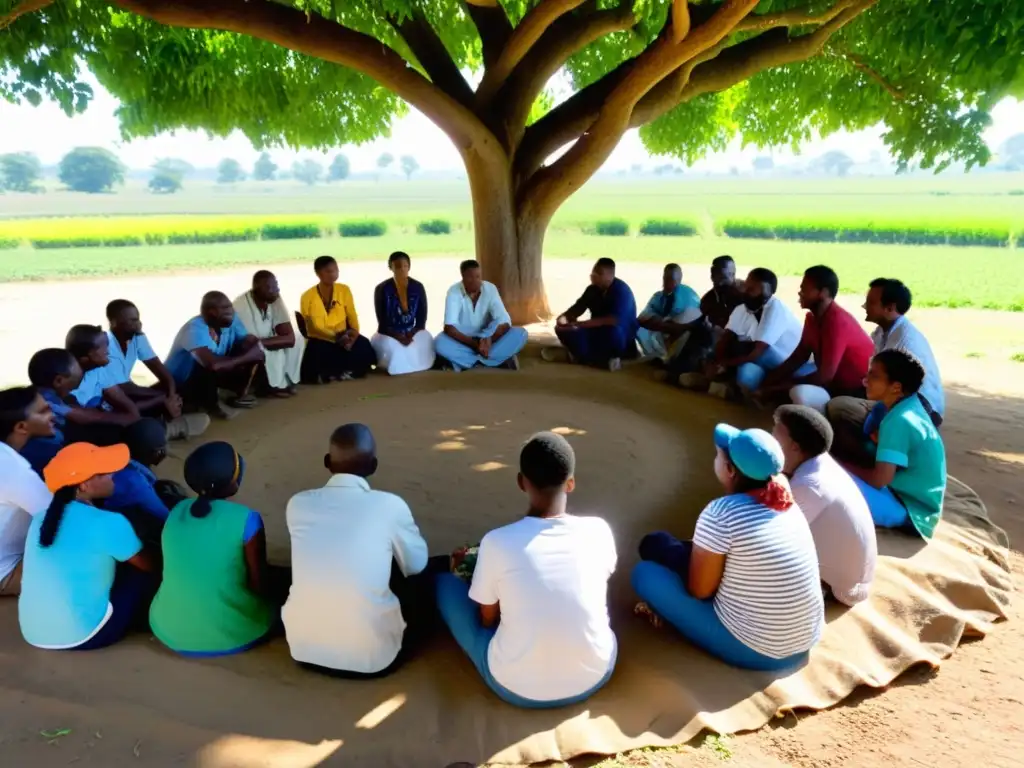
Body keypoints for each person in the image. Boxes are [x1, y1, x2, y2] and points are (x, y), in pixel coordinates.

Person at [436, 432, 618, 708]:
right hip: (595, 675)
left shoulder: (497, 541)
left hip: (514, 686)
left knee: (445, 586)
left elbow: (487, 619)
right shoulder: (599, 530)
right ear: (570, 484)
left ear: (521, 482)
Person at [631, 424, 823, 671]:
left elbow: (700, 590)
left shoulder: (721, 513)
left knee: (645, 574)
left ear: (730, 470)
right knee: (668, 548)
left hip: (759, 650)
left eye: (719, 457)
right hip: (804, 640)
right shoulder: (786, 501)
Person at [284, 423, 439, 678]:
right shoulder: (389, 505)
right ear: (373, 466)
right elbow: (416, 565)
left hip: (303, 650)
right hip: (373, 659)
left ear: (327, 462)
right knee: (427, 575)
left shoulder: (297, 504)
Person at [18, 442, 157, 650]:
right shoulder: (109, 522)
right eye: (104, 473)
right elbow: (150, 565)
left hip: (33, 632)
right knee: (140, 575)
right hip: (86, 635)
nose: (113, 475)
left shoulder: (40, 519)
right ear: (83, 485)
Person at [149, 441, 277, 656]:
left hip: (168, 626)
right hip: (229, 633)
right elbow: (258, 582)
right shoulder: (246, 519)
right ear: (233, 484)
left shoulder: (177, 510)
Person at [772, 405, 876, 606]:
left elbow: (770, 537)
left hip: (841, 589)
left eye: (777, 433)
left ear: (794, 445)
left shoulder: (809, 485)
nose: (771, 437)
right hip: (855, 579)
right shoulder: (818, 463)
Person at [843, 349, 947, 539]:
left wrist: (841, 466)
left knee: (828, 479)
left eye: (874, 375)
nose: (866, 380)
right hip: (920, 506)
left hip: (909, 512)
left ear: (896, 387)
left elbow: (879, 480)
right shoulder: (910, 406)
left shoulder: (898, 421)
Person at [828, 278, 945, 440]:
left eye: (871, 302)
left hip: (919, 409)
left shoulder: (904, 342)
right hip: (896, 398)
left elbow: (898, 393)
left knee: (838, 407)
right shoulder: (881, 333)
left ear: (889, 308)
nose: (864, 306)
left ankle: (879, 450)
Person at [758, 266, 873, 412]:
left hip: (855, 393)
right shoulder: (812, 318)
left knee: (798, 393)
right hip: (834, 386)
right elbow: (798, 357)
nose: (800, 293)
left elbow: (825, 376)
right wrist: (769, 380)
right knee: (784, 388)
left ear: (823, 293)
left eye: (805, 288)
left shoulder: (837, 322)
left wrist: (778, 388)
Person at [699, 268, 806, 398]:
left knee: (745, 362)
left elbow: (756, 354)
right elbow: (724, 340)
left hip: (785, 366)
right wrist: (716, 360)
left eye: (751, 289)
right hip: (759, 362)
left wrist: (723, 364)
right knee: (739, 368)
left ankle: (744, 389)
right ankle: (730, 386)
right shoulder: (742, 309)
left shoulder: (775, 310)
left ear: (767, 292)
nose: (745, 292)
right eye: (745, 287)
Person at [165, 291, 266, 419]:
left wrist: (256, 345)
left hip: (213, 369)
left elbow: (247, 340)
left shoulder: (231, 319)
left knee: (249, 348)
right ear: (211, 312)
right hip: (181, 382)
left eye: (230, 306)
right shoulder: (194, 329)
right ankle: (209, 404)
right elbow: (211, 364)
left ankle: (237, 394)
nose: (231, 311)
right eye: (225, 308)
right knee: (207, 364)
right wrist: (249, 356)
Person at [25, 347, 137, 459]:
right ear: (59, 381)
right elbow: (84, 417)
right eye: (77, 371)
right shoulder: (45, 401)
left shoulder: (36, 394)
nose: (81, 373)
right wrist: (125, 418)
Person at [0, 387, 55, 597]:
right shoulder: (15, 470)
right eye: (43, 411)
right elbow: (60, 518)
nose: (52, 413)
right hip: (6, 572)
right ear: (22, 427)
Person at [544, 258, 638, 371]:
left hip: (618, 334)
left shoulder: (622, 291)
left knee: (613, 333)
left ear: (610, 275)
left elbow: (613, 320)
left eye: (599, 273)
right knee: (562, 330)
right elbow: (578, 308)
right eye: (594, 272)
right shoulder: (592, 290)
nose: (594, 275)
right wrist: (564, 318)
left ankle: (585, 357)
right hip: (594, 331)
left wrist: (580, 324)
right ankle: (596, 360)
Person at [435, 259, 528, 372]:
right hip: (464, 339)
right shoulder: (453, 291)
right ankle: (493, 360)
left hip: (488, 337)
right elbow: (449, 328)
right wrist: (475, 344)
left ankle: (467, 362)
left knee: (520, 334)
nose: (475, 281)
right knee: (439, 343)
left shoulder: (490, 289)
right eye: (470, 277)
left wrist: (489, 340)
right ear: (462, 277)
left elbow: (504, 320)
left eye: (478, 276)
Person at [299, 255, 377, 383]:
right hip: (321, 339)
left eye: (336, 270)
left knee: (363, 345)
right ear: (318, 273)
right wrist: (335, 338)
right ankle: (335, 373)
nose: (333, 274)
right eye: (328, 271)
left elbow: (352, 316)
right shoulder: (307, 297)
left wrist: (353, 336)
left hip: (344, 335)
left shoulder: (344, 290)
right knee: (316, 352)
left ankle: (341, 372)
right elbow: (311, 328)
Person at [103, 418, 180, 545]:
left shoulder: (118, 459)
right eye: (161, 449)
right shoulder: (135, 482)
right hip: (117, 527)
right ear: (155, 453)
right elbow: (166, 516)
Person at [670, 255, 745, 381]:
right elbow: (702, 321)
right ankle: (678, 370)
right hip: (713, 339)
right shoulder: (708, 299)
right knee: (695, 331)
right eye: (716, 275)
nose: (720, 280)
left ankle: (710, 377)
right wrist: (679, 327)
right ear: (712, 275)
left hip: (735, 342)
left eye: (726, 275)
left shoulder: (743, 297)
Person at [232, 270, 304, 397]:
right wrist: (275, 341)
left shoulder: (275, 297)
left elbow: (289, 335)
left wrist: (271, 340)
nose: (276, 289)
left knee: (298, 338)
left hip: (263, 340)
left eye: (276, 284)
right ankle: (272, 386)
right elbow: (250, 342)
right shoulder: (241, 305)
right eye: (270, 287)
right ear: (257, 289)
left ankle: (287, 380)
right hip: (244, 346)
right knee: (269, 349)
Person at [370, 252, 436, 376]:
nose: (402, 270)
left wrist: (411, 334)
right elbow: (382, 323)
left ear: (409, 267)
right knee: (395, 350)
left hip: (412, 332)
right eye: (398, 267)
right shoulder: (382, 288)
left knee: (426, 340)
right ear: (391, 267)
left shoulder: (418, 286)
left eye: (405, 266)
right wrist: (399, 337)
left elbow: (422, 319)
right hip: (390, 333)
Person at [635, 263, 702, 361]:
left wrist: (663, 324)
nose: (668, 283)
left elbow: (687, 326)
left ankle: (672, 360)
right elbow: (641, 318)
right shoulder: (658, 296)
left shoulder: (688, 295)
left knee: (687, 334)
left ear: (679, 280)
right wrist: (661, 323)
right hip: (664, 332)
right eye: (666, 279)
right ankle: (657, 358)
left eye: (672, 279)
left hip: (681, 336)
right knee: (639, 329)